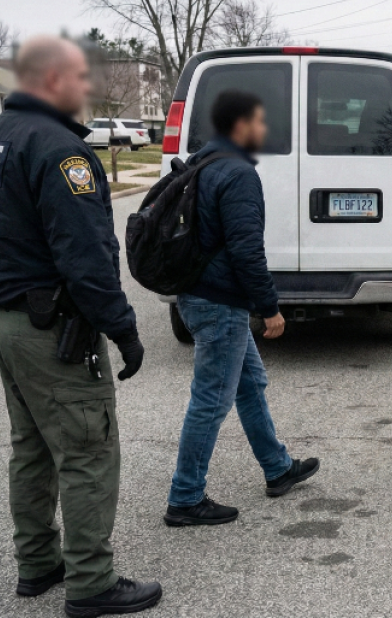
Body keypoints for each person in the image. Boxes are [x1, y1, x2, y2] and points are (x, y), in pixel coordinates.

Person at [0, 36, 161, 615]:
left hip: (2, 321)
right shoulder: (61, 152)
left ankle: (38, 563)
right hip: (50, 329)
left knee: (31, 448)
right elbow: (87, 256)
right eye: (79, 78)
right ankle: (92, 583)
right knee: (86, 447)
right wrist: (122, 327)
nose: (88, 89)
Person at [164, 90, 320, 527]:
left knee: (250, 384)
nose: (264, 129)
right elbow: (247, 250)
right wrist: (269, 308)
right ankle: (185, 497)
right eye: (259, 121)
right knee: (211, 399)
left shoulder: (202, 164)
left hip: (198, 294)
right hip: (220, 303)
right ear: (240, 125)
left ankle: (278, 467)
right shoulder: (237, 174)